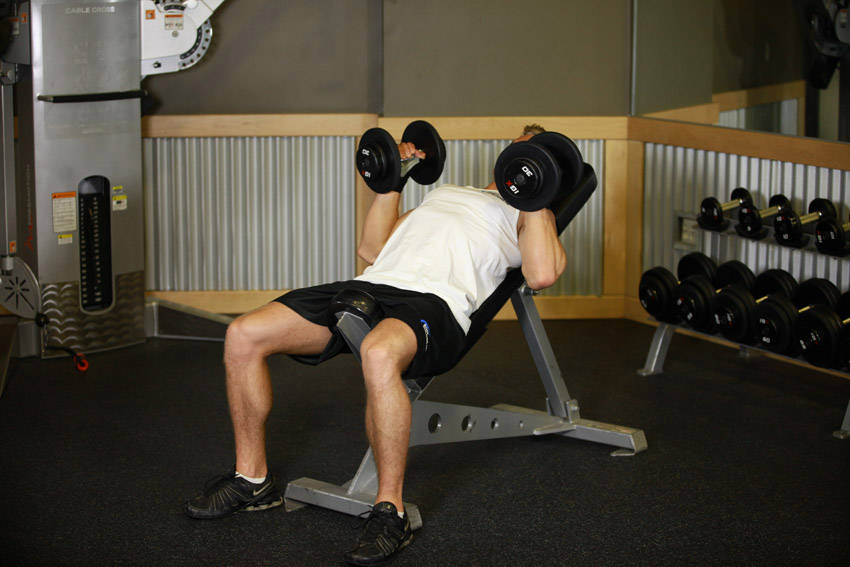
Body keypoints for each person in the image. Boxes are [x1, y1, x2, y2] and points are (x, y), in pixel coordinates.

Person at [184, 124, 567, 565]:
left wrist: (537, 191)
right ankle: (251, 480)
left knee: (379, 352)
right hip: (370, 286)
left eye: (536, 155)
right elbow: (371, 249)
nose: (522, 157)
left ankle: (390, 511)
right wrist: (392, 183)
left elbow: (540, 274)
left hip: (435, 304)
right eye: (521, 147)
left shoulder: (533, 215)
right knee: (243, 334)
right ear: (508, 150)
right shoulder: (447, 193)